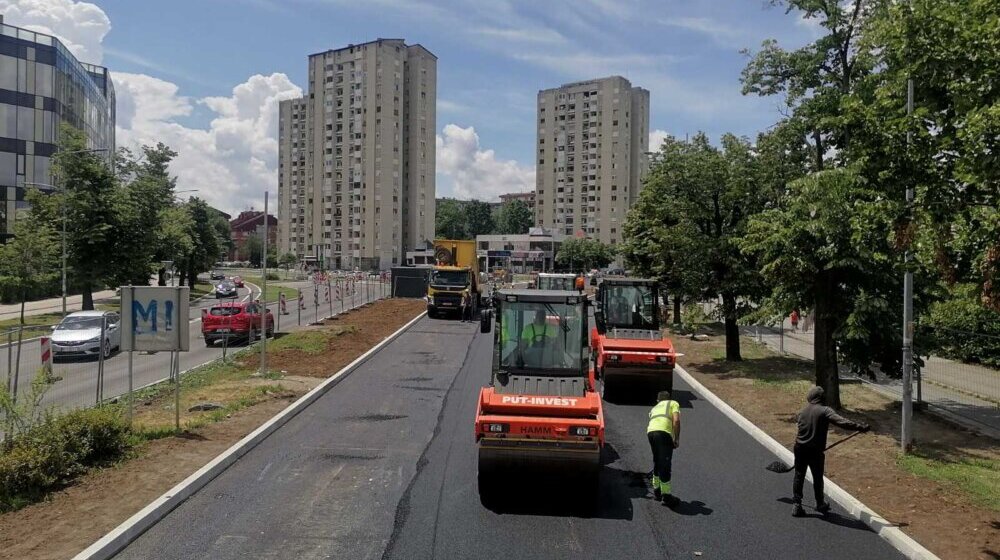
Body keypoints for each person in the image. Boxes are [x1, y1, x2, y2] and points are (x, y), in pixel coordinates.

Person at [792, 386, 870, 517]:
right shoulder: (825, 411)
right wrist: (860, 427)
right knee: (817, 477)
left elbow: (801, 425)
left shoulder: (802, 411)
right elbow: (842, 422)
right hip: (815, 451)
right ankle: (820, 503)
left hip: (799, 447)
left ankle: (797, 504)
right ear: (822, 398)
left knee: (799, 475)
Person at [647, 391, 681, 506]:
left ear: (658, 400)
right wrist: (676, 439)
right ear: (668, 398)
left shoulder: (654, 408)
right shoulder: (673, 403)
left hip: (650, 433)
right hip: (663, 433)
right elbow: (676, 420)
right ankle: (666, 496)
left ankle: (656, 490)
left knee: (657, 461)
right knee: (665, 464)